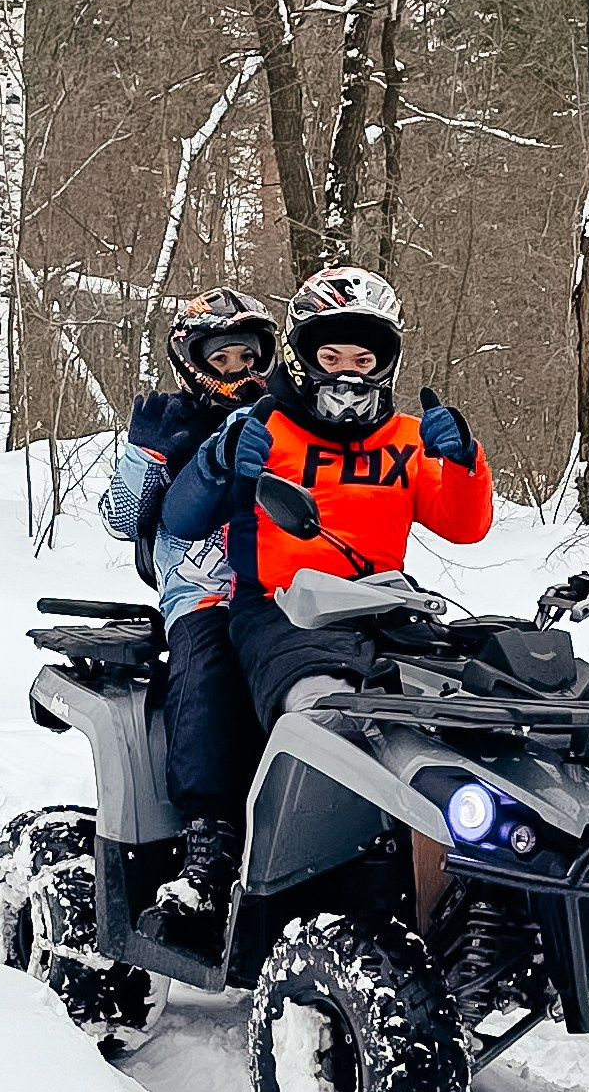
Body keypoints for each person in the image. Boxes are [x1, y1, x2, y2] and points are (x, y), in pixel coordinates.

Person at [162, 263, 493, 787]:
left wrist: (463, 463)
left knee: (478, 712)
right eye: (331, 356)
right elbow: (181, 519)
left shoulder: (409, 437)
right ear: (303, 357)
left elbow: (463, 526)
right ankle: (263, 851)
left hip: (390, 611)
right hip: (283, 613)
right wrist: (217, 461)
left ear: (386, 363)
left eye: (364, 359)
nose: (348, 373)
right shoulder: (261, 427)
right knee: (326, 719)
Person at [99, 288, 277, 915]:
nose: (238, 372)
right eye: (223, 359)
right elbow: (121, 520)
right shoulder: (170, 420)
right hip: (199, 585)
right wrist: (141, 452)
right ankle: (209, 834)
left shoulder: (284, 415)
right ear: (195, 361)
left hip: (284, 584)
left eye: (249, 357)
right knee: (209, 666)